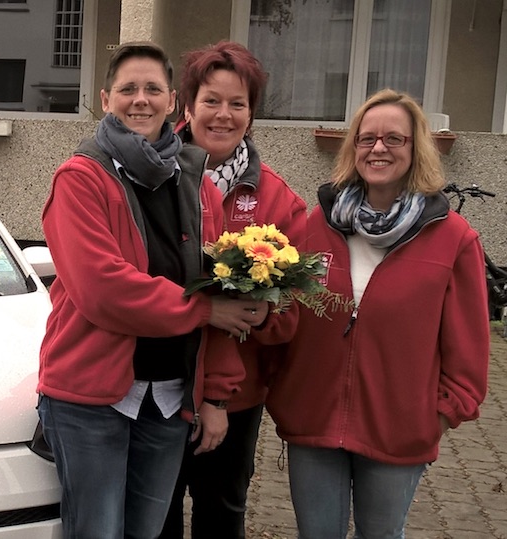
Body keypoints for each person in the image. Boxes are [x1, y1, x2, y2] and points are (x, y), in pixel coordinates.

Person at [36, 41, 266, 539]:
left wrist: (218, 397)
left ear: (173, 102)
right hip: (92, 399)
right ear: (105, 99)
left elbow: (224, 287)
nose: (140, 100)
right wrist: (205, 309)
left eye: (152, 89)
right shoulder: (80, 178)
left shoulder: (199, 184)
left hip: (166, 400)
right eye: (127, 89)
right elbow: (104, 291)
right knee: (97, 532)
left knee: (147, 534)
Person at [265, 88, 490, 538]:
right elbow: (288, 315)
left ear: (415, 148)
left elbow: (469, 344)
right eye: (367, 139)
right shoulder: (319, 223)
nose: (379, 148)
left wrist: (441, 414)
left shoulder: (453, 237)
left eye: (394, 139)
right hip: (313, 420)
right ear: (354, 149)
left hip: (398, 430)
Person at [160, 41, 307, 539]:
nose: (223, 115)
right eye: (211, 100)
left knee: (221, 515)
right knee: (153, 517)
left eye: (237, 103)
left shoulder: (278, 200)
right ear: (187, 105)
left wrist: (258, 313)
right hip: (157, 388)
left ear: (252, 113)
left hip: (238, 399)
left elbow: (293, 313)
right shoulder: (149, 179)